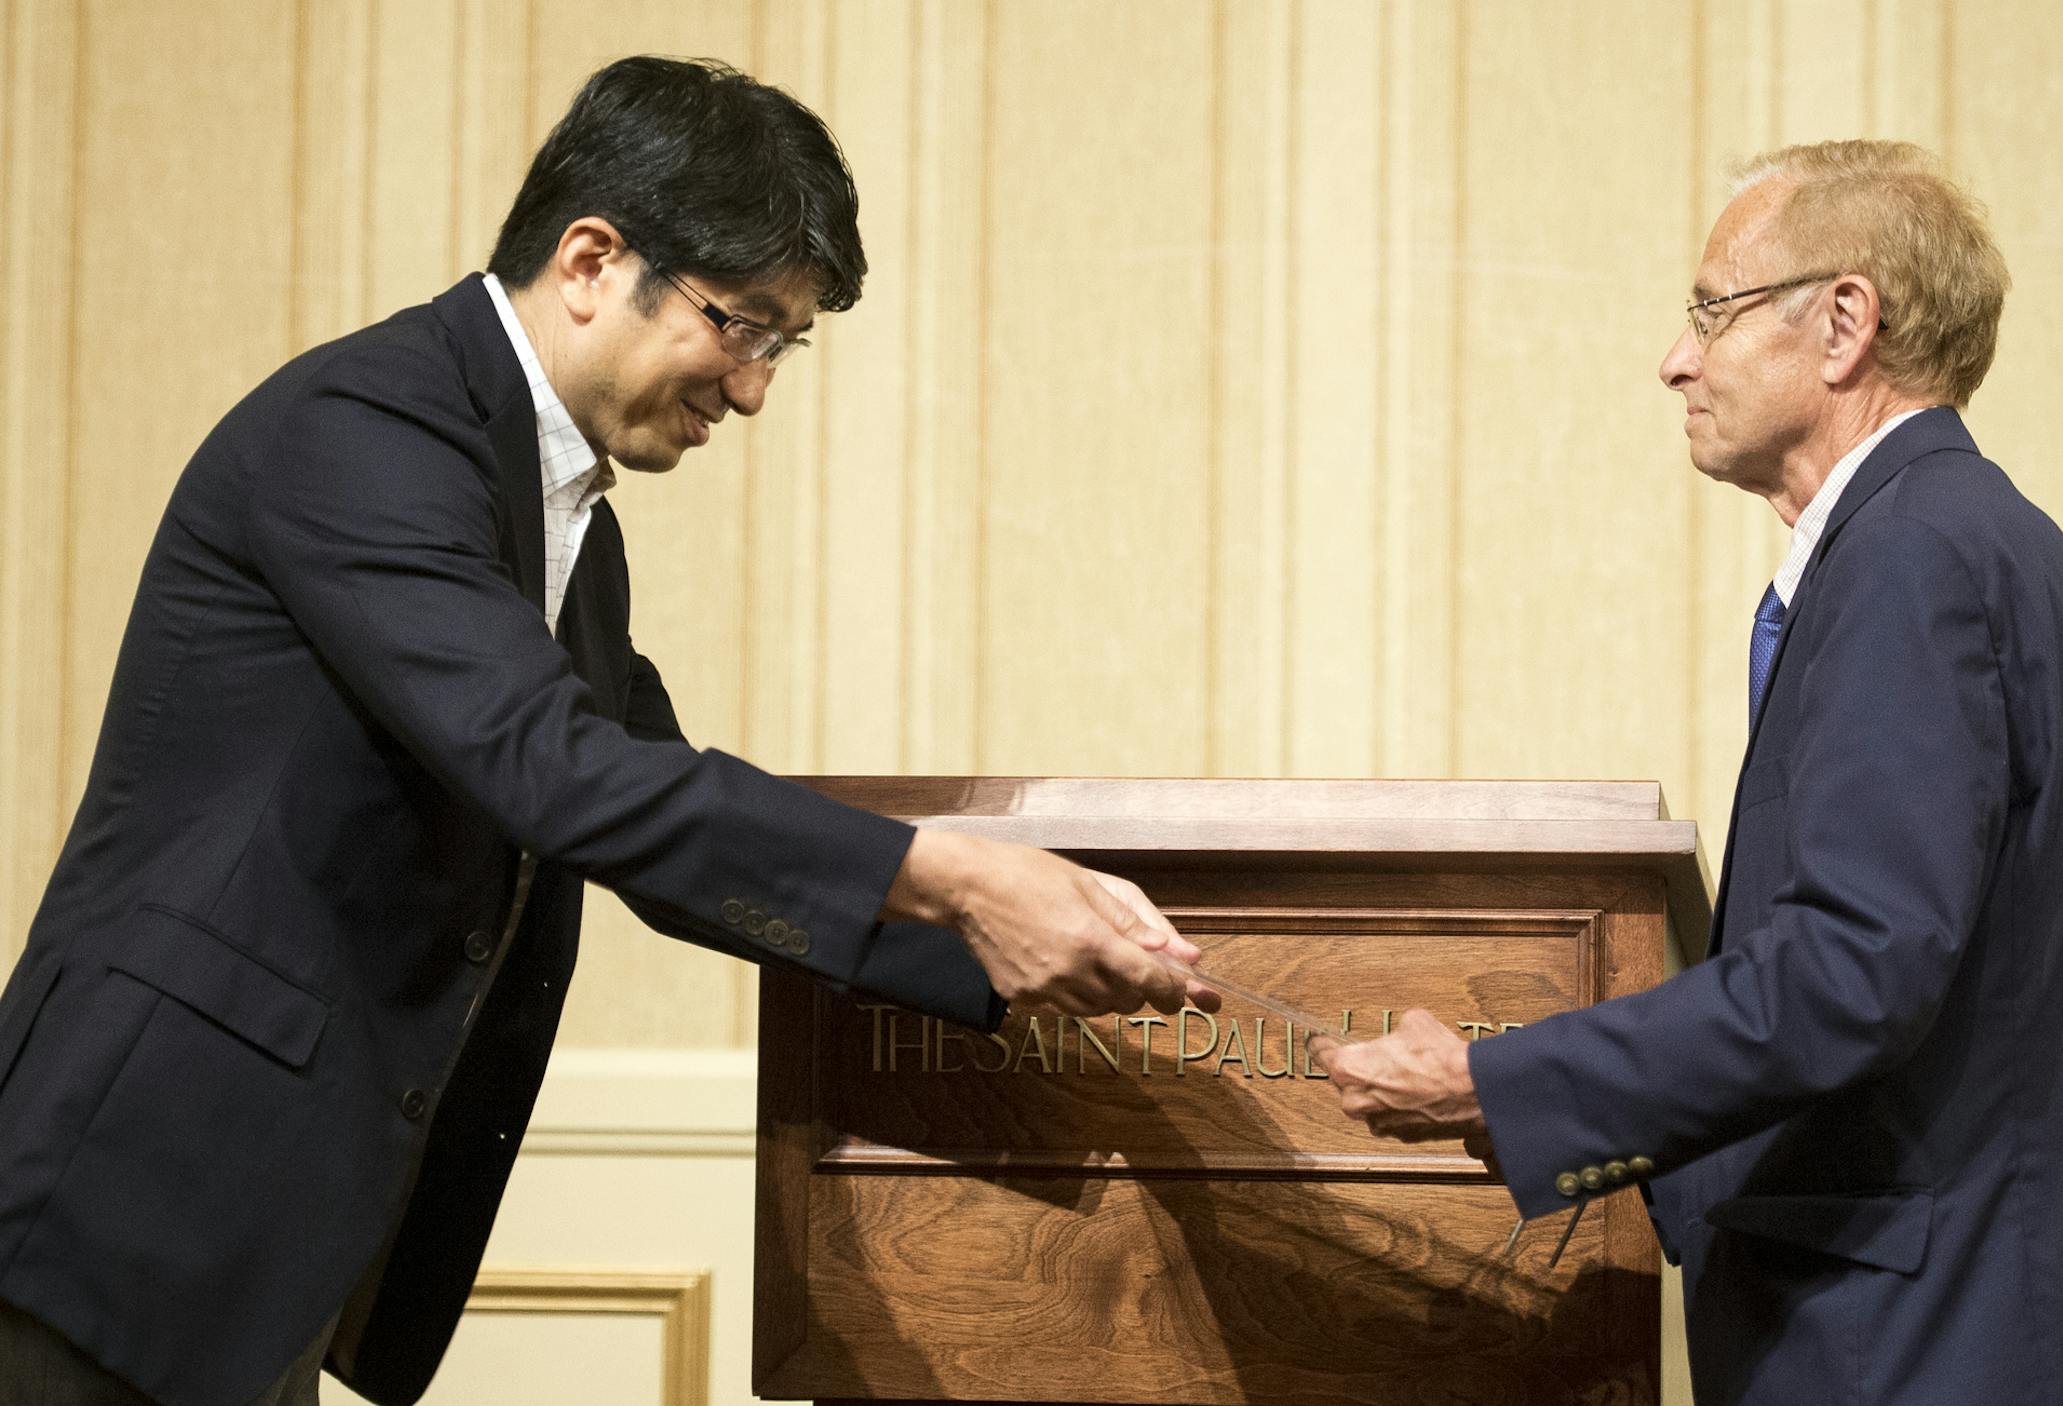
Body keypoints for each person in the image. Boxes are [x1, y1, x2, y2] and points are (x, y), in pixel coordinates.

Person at [0, 56, 1212, 1406]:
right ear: (589, 259)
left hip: (262, 1235)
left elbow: (659, 824)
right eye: (742, 325)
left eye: (782, 347)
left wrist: (999, 960)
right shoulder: (368, 430)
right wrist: (962, 872)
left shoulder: (564, 513)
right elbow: (562, 774)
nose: (753, 390)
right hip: (119, 1203)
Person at [1319, 139, 2063, 1402]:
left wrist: (1502, 1078)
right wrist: (1579, 1133)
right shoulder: (1963, 538)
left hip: (1932, 1343)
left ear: (1842, 324)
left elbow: (1852, 968)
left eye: (1710, 309)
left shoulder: (1914, 555)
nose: (1676, 357)